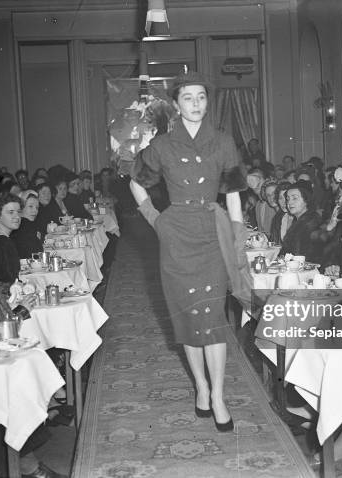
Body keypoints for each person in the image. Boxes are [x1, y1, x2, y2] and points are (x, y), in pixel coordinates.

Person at [130, 71, 246, 432]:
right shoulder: (162, 145)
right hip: (176, 235)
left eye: (201, 97)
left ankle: (219, 396)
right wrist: (155, 219)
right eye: (188, 98)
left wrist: (238, 235)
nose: (196, 104)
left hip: (212, 233)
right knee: (188, 317)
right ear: (176, 105)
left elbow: (232, 192)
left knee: (213, 317)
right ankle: (200, 385)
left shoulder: (224, 141)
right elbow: (136, 181)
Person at [279, 180, 322, 262]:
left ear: (306, 200)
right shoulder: (299, 220)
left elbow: (304, 257)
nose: (289, 202)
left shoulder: (312, 223)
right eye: (288, 199)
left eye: (295, 198)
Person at [11, 192, 43, 258]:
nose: (35, 211)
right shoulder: (25, 226)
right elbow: (36, 255)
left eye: (37, 207)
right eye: (30, 206)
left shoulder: (22, 223)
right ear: (21, 207)